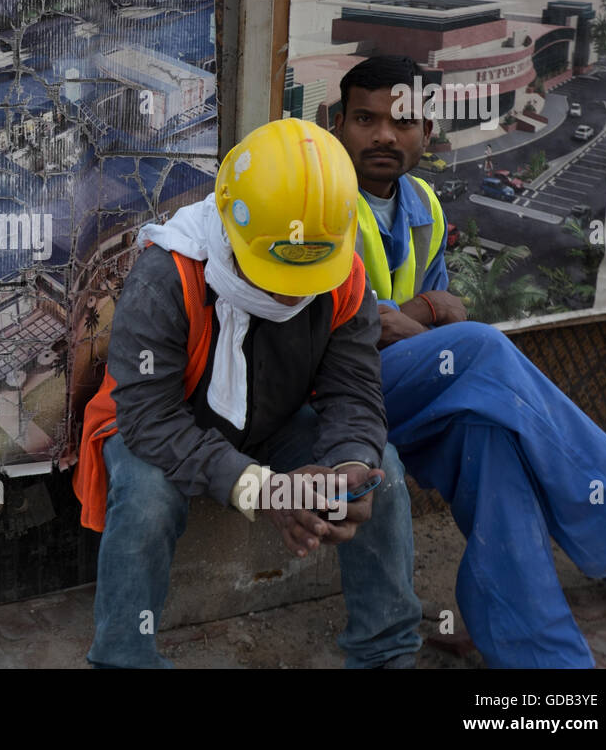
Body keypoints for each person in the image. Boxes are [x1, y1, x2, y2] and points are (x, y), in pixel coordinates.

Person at [332, 54, 606, 668]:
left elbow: (424, 326)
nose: (383, 136)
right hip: (333, 402)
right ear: (337, 122)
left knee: (491, 437)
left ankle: (537, 661)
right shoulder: (317, 196)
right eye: (365, 119)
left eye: (402, 122)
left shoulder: (423, 202)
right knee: (481, 348)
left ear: (428, 131)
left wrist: (412, 317)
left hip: (401, 390)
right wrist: (421, 308)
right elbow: (352, 330)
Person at [73, 117, 423, 669]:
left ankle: (388, 653)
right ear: (233, 233)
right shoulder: (167, 274)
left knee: (383, 472)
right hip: (160, 425)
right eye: (275, 273)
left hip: (274, 423)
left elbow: (354, 393)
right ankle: (123, 658)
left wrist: (346, 466)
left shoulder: (343, 276)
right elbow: (149, 419)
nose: (290, 294)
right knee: (145, 498)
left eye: (304, 276)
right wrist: (262, 489)